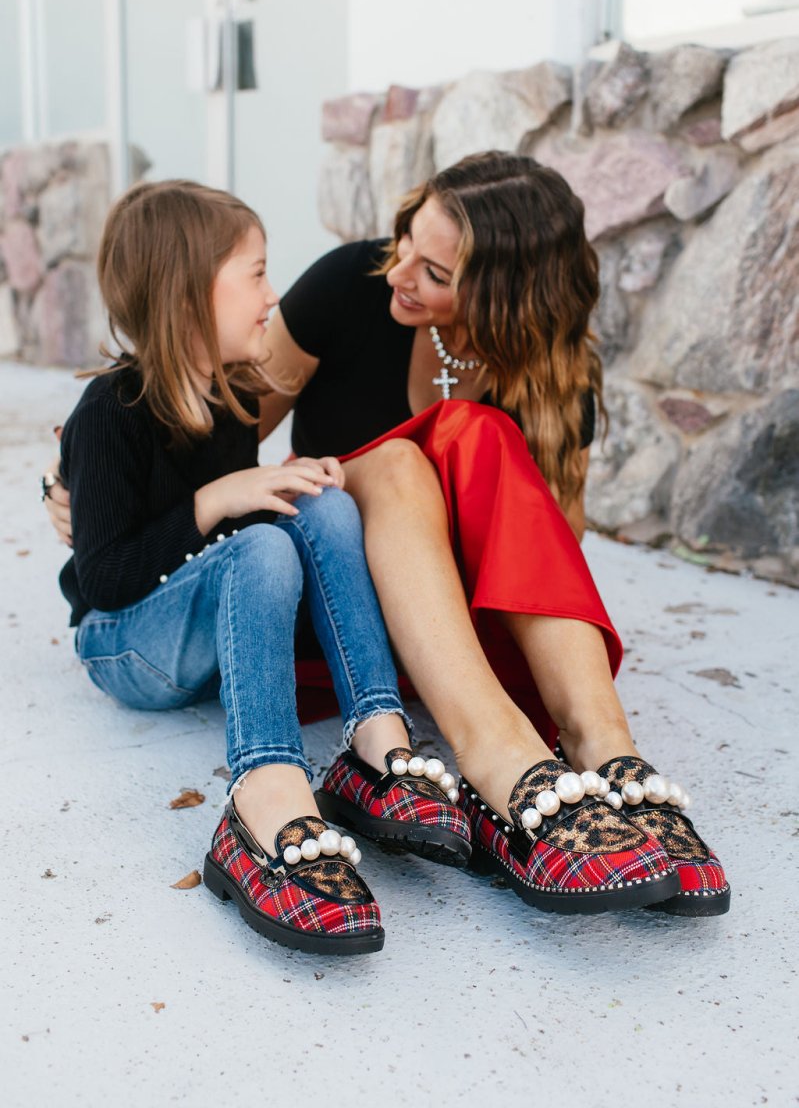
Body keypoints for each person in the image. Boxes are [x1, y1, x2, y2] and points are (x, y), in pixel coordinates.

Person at [46, 154, 729, 917]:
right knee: (390, 464)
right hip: (337, 606)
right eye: (405, 238)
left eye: (432, 271)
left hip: (456, 629)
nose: (396, 271)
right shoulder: (349, 286)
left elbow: (546, 556)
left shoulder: (555, 380)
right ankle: (489, 758)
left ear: (499, 297)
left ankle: (603, 746)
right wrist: (76, 478)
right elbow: (194, 418)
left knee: (479, 433)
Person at [53, 179, 471, 957]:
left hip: (197, 633)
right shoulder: (110, 411)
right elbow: (106, 581)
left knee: (320, 503)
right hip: (124, 647)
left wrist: (284, 486)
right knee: (261, 542)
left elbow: (237, 546)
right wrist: (217, 499)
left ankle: (377, 742)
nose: (272, 296)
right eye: (254, 274)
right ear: (187, 297)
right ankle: (265, 787)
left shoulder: (233, 396)